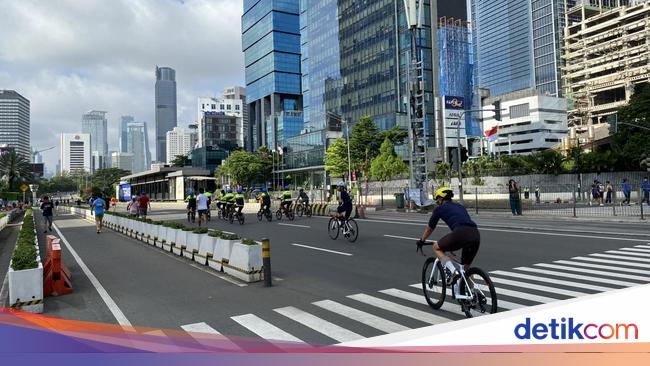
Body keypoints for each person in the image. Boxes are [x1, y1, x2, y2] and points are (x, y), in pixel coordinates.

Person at [416, 187, 480, 278]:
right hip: (475, 234)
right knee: (465, 269)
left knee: (436, 247)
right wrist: (451, 245)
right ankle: (472, 291)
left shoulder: (439, 209)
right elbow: (461, 222)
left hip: (461, 233)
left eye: (437, 200)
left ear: (441, 199)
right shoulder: (460, 206)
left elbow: (429, 228)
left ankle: (453, 271)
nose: (437, 203)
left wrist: (422, 240)